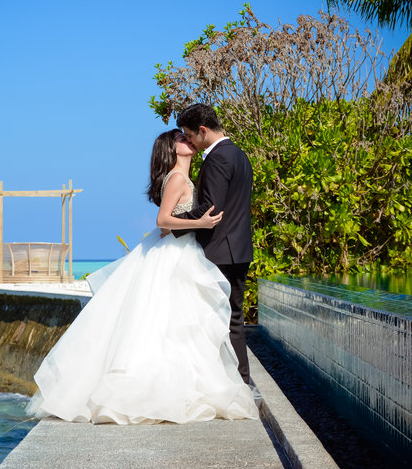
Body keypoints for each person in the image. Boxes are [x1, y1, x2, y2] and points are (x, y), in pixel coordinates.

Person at [26, 129, 259, 424]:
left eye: (188, 137)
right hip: (175, 252)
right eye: (182, 139)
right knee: (166, 322)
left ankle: (181, 385)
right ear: (172, 149)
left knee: (178, 324)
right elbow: (162, 221)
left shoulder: (183, 176)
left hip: (183, 250)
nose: (188, 141)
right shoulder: (176, 178)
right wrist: (200, 222)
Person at [173, 104, 254, 386]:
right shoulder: (239, 155)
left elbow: (211, 210)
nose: (188, 141)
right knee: (233, 319)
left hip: (221, 250)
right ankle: (240, 381)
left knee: (219, 321)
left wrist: (171, 224)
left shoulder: (218, 159)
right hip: (238, 249)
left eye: (188, 134)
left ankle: (233, 384)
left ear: (203, 130)